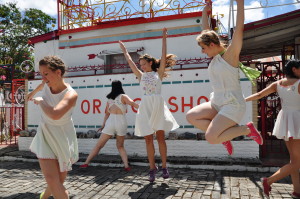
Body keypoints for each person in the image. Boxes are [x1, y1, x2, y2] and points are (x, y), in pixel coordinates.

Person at [186, 0, 263, 156]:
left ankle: (247, 129)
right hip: (217, 101)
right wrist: (204, 12)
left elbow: (239, 29)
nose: (202, 52)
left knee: (211, 138)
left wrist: (240, 4)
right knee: (191, 116)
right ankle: (224, 135)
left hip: (232, 104)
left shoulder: (230, 56)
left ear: (213, 45)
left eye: (203, 48)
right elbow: (206, 31)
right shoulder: (215, 58)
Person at [119, 27, 179, 183]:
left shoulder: (158, 73)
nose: (141, 67)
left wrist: (164, 37)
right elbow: (130, 62)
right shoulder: (140, 76)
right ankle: (152, 168)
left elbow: (163, 57)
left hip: (157, 105)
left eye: (144, 64)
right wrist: (125, 51)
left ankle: (164, 166)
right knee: (148, 139)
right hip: (145, 106)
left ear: (151, 63)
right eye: (141, 65)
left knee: (160, 138)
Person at [245, 60, 300, 198]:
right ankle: (268, 181)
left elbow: (258, 95)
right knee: (296, 162)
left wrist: (243, 100)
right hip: (297, 120)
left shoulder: (278, 84)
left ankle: (297, 191)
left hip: (287, 120)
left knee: (294, 161)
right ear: (294, 69)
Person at [27, 56, 78, 199]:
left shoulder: (71, 94)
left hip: (62, 137)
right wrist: (32, 93)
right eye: (41, 74)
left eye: (46, 73)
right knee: (52, 179)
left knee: (57, 182)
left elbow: (55, 114)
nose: (43, 77)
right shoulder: (46, 83)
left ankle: (43, 197)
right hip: (45, 134)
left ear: (58, 73)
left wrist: (41, 101)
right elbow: (40, 85)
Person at [79, 80, 138, 171]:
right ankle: (126, 166)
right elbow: (133, 104)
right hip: (121, 121)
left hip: (110, 122)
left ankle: (86, 163)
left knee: (99, 145)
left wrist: (103, 125)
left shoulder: (109, 99)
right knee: (120, 146)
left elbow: (107, 114)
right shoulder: (123, 96)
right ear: (120, 86)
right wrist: (144, 108)